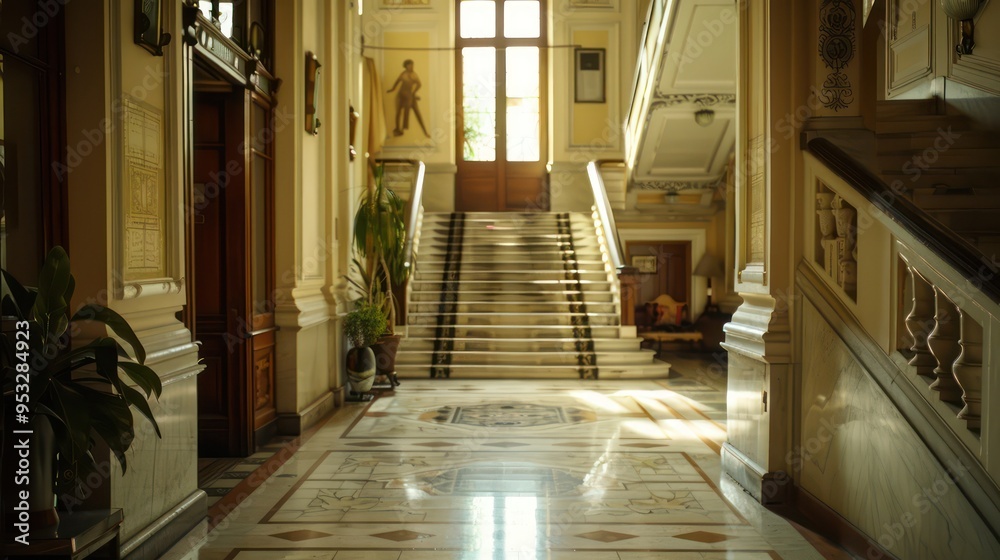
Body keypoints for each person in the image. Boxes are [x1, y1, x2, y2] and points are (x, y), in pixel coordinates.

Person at [387, 59, 430, 138]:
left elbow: (419, 84)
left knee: (418, 113)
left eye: (412, 65)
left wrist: (413, 93)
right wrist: (391, 89)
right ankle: (398, 129)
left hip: (409, 95)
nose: (412, 67)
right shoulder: (403, 74)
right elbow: (396, 83)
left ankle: (425, 132)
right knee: (399, 112)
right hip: (401, 95)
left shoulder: (414, 75)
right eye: (410, 65)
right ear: (406, 66)